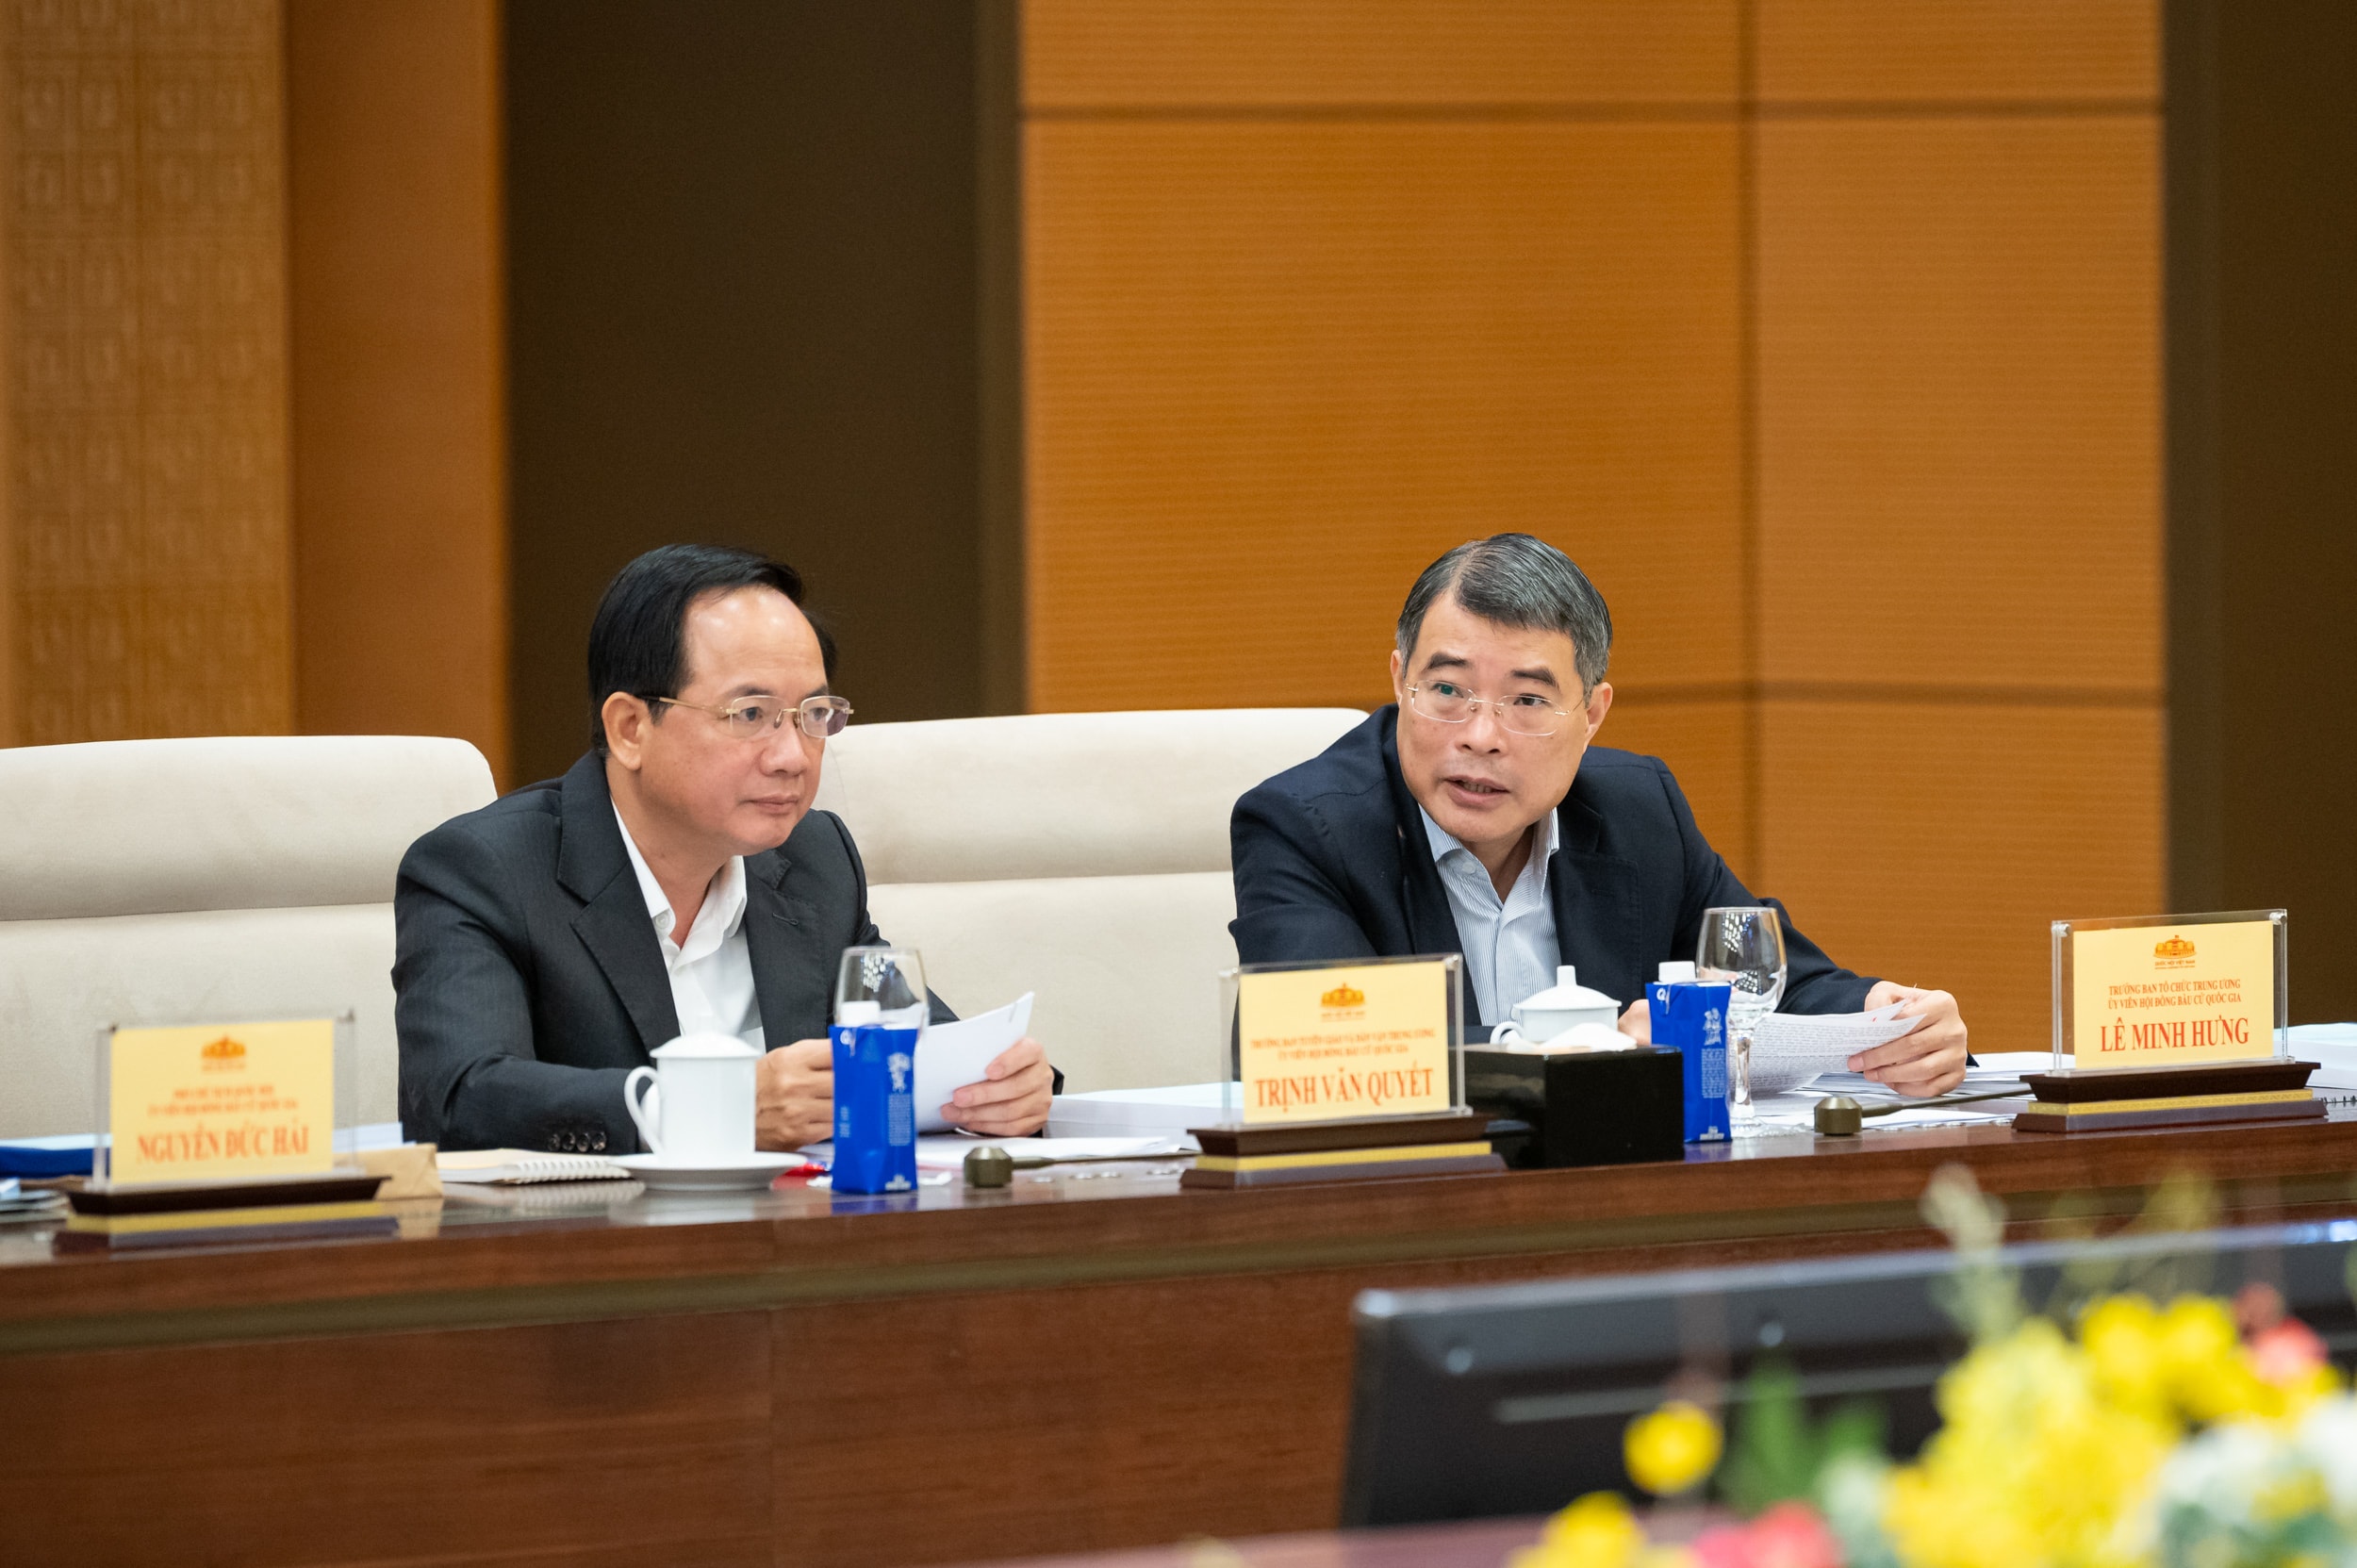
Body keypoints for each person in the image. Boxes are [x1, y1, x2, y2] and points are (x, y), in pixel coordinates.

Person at [1228, 533, 1968, 1097]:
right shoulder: (1304, 827)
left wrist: (1889, 1016)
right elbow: (1324, 1050)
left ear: (1592, 714)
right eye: (1448, 690)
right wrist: (1584, 1048)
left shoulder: (1637, 811)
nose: (1480, 734)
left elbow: (1772, 989)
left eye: (1527, 700)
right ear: (1399, 680)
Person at [395, 544, 1056, 1153]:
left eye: (814, 715)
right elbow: (458, 1100)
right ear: (630, 728)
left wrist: (1004, 1088)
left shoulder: (815, 861)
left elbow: (922, 1052)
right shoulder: (484, 871)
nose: (792, 756)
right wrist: (718, 1106)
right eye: (751, 715)